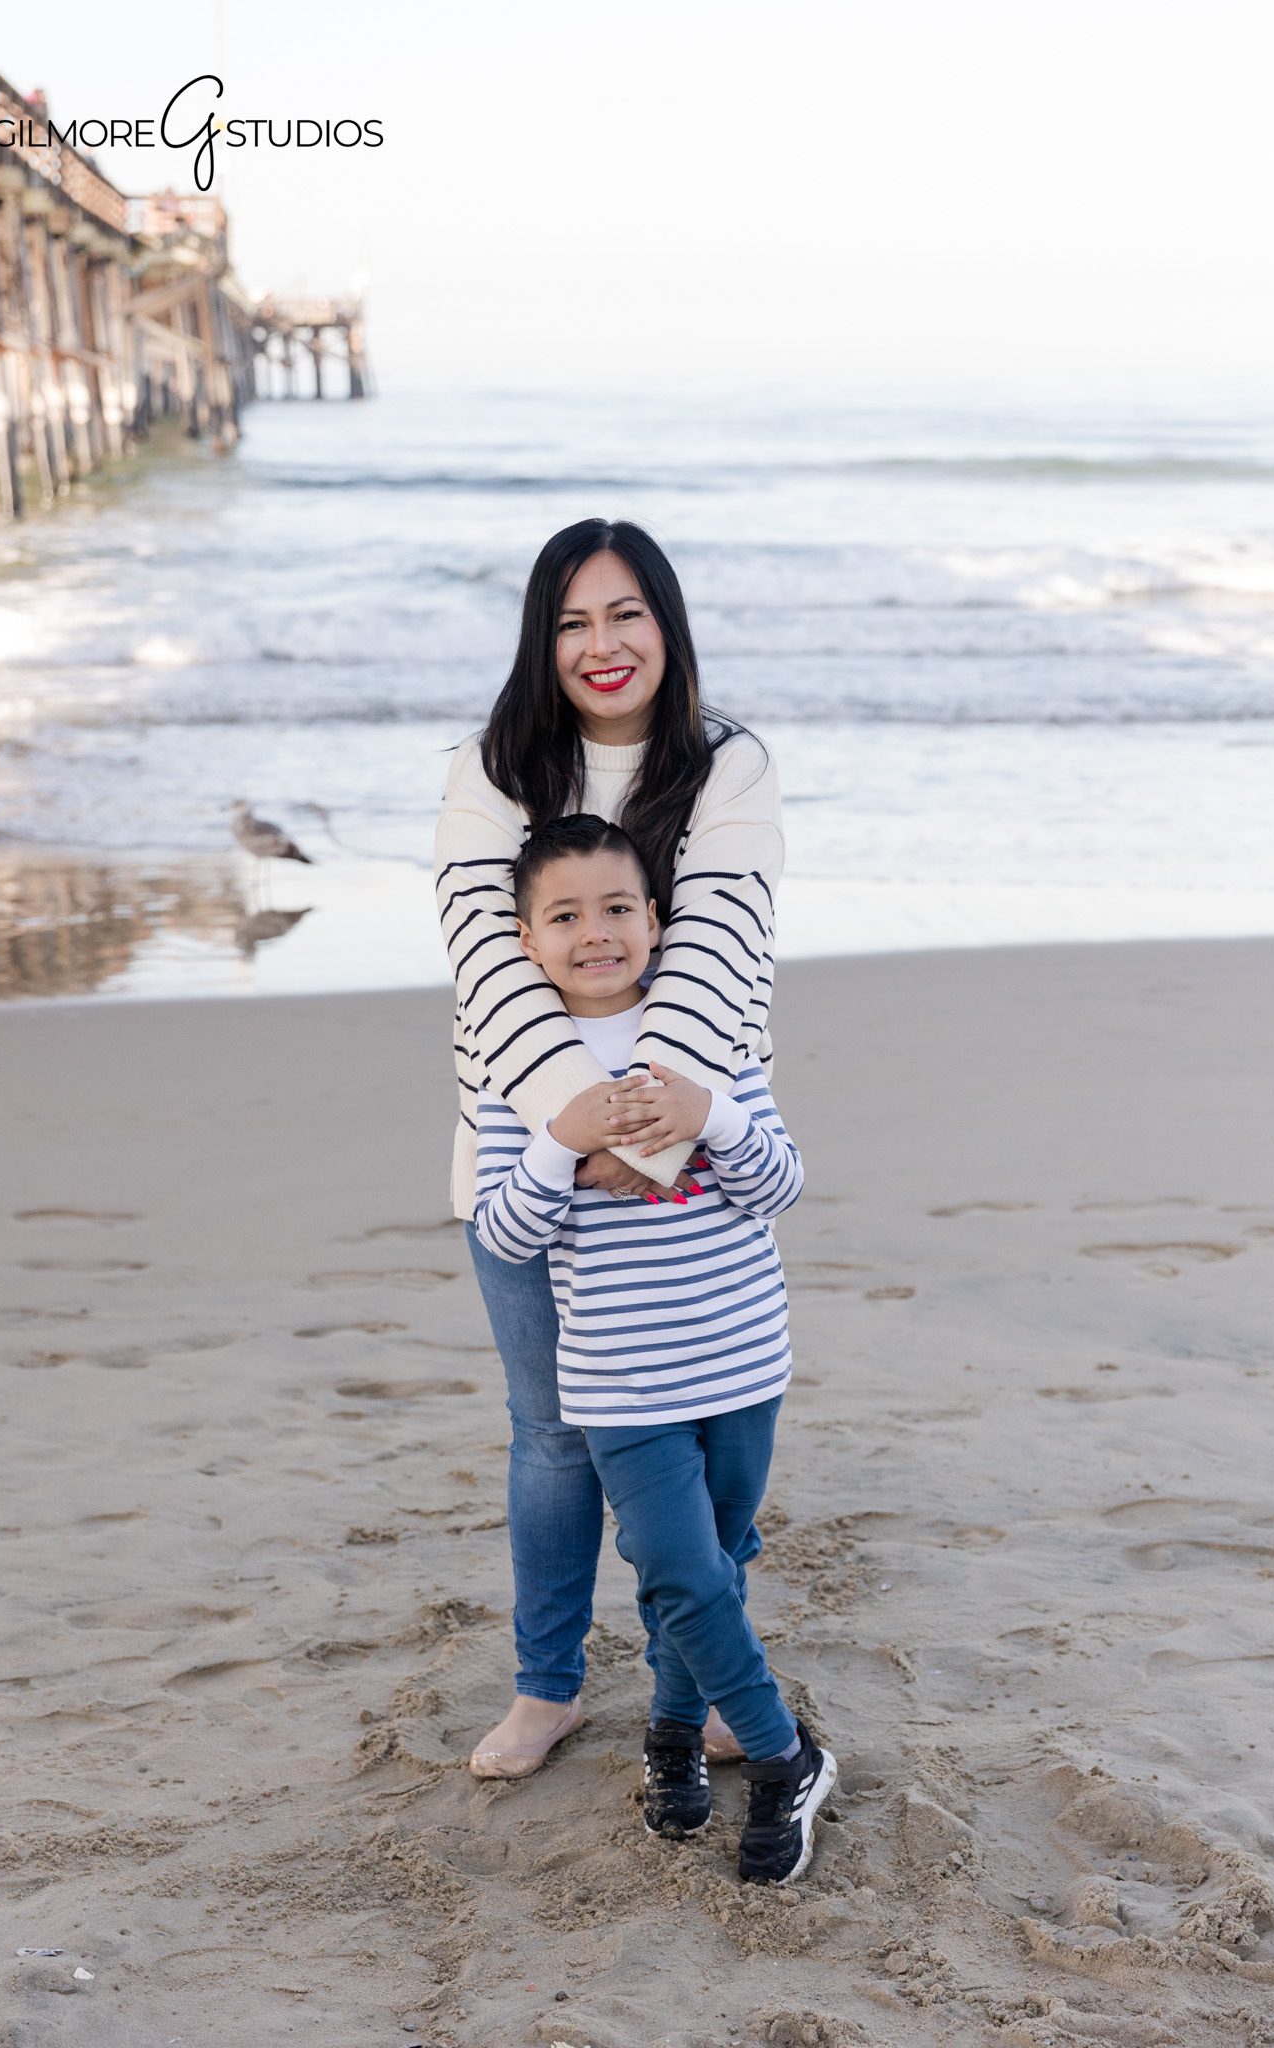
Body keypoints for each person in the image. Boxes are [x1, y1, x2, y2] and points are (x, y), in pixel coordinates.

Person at [434, 518, 783, 1779]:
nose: (602, 643)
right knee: (552, 1435)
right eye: (574, 620)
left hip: (692, 1151)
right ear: (545, 637)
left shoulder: (729, 765)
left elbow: (722, 941)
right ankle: (548, 1686)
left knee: (704, 1449)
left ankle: (711, 1681)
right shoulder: (494, 768)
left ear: (665, 624)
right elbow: (486, 958)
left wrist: (647, 1125)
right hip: (526, 1155)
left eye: (625, 613)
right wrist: (579, 1127)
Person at [472, 814, 836, 1884]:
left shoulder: (709, 1043)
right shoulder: (523, 1077)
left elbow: (782, 1184)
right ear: (529, 942)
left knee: (711, 1569)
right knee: (675, 1564)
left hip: (740, 1362)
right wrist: (566, 1148)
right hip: (618, 1378)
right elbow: (501, 1230)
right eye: (567, 914)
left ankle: (674, 1733)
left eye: (619, 906)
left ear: (658, 921)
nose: (597, 931)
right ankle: (782, 1755)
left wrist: (710, 1113)